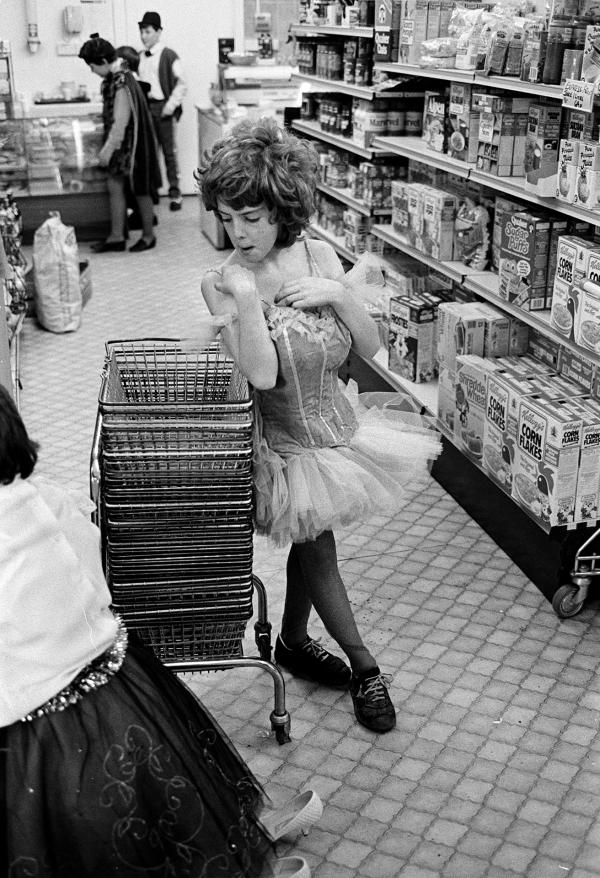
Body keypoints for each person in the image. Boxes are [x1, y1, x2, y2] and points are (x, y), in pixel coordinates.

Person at [0, 384, 316, 877]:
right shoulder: (45, 498)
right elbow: (96, 578)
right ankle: (228, 836)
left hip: (30, 725)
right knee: (162, 799)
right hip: (115, 686)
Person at [197, 119, 442, 734]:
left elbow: (372, 346)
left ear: (282, 209)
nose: (238, 232)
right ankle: (365, 667)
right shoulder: (221, 281)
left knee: (314, 537)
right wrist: (247, 298)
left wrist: (337, 293)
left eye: (251, 217)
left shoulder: (318, 256)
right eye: (226, 218)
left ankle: (293, 640)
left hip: (341, 429)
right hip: (283, 448)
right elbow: (260, 374)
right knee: (319, 548)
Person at [79, 34, 161, 253]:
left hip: (130, 147)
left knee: (140, 189)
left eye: (92, 66)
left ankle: (148, 236)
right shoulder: (118, 77)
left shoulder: (121, 82)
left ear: (104, 61)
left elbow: (120, 122)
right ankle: (116, 237)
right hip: (124, 145)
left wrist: (106, 152)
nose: (92, 71)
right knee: (115, 185)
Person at [137, 11, 186, 212]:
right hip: (146, 108)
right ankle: (152, 191)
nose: (143, 36)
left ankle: (175, 192)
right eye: (141, 32)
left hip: (163, 108)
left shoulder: (169, 55)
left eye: (147, 31)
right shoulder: (140, 56)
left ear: (158, 32)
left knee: (169, 152)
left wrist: (170, 106)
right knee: (148, 152)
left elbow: (182, 83)